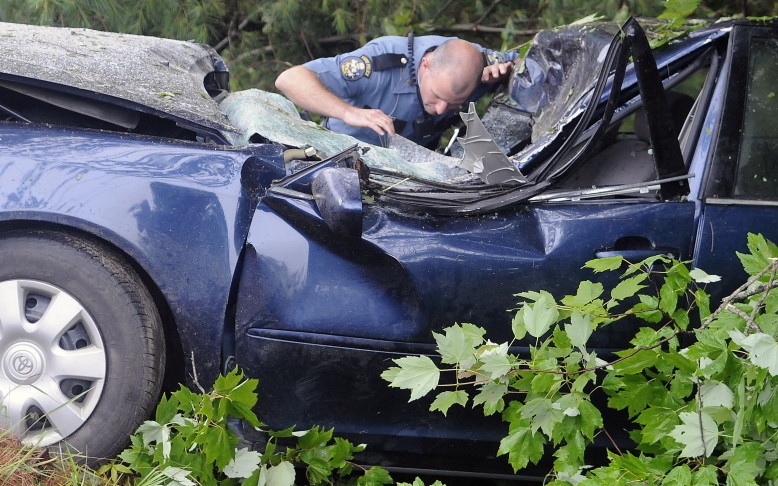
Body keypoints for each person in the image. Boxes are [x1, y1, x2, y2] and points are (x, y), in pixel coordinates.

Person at [275, 35, 518, 148]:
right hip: (342, 155)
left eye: (455, 103)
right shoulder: (382, 65)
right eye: (438, 96)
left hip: (412, 171)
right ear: (426, 64)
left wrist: (509, 72)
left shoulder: (478, 64)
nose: (442, 109)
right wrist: (348, 112)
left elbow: (536, 65)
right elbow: (290, 79)